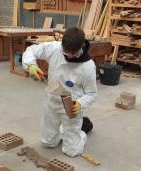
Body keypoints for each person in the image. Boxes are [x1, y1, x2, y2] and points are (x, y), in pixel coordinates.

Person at [22, 27, 97, 157]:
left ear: (81, 46)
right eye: (66, 52)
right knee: (47, 143)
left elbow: (92, 93)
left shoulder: (88, 66)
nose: (68, 56)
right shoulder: (55, 48)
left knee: (72, 151)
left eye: (72, 53)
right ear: (62, 43)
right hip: (52, 99)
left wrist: (80, 104)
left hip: (71, 105)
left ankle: (82, 131)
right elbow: (31, 50)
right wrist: (31, 65)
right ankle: (66, 130)